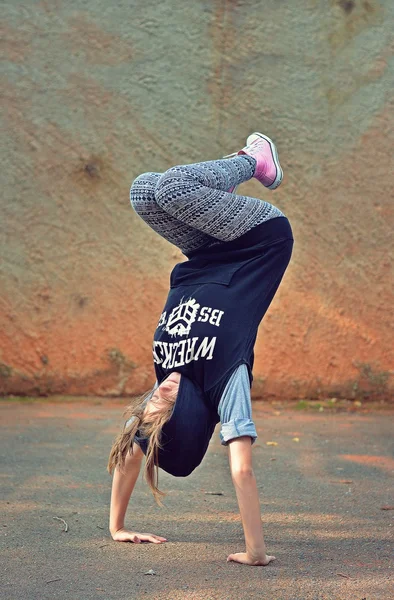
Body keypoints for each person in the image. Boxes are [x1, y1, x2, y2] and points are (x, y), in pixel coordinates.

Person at [107, 132, 294, 566]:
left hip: (208, 255)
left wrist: (117, 527)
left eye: (149, 403)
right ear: (187, 416)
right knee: (174, 188)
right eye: (164, 404)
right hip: (259, 244)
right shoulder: (225, 379)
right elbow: (242, 468)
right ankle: (256, 161)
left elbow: (132, 454)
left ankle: (219, 190)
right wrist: (256, 552)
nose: (158, 393)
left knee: (144, 191)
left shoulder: (166, 371)